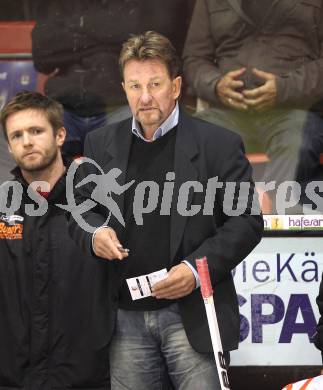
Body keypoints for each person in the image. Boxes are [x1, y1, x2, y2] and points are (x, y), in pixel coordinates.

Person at [69, 31, 263, 389]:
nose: (144, 97)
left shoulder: (218, 144)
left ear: (175, 87)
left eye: (154, 84)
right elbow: (81, 211)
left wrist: (195, 270)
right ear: (124, 88)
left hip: (190, 315)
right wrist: (95, 233)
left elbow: (246, 221)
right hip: (123, 317)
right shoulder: (100, 143)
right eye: (134, 86)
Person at [0, 91, 112, 389]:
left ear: (60, 135)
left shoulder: (99, 201)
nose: (27, 141)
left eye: (36, 131)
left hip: (87, 378)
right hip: (14, 379)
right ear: (9, 147)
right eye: (17, 135)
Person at [183, 0, 323, 213]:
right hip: (227, 112)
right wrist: (216, 85)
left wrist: (284, 88)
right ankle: (223, 227)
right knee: (193, 140)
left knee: (298, 141)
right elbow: (194, 58)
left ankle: (282, 228)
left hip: (294, 112)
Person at [32, 0, 195, 157]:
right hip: (65, 105)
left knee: (139, 147)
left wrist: (77, 30)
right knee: (26, 141)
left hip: (124, 103)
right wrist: (111, 38)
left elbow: (159, 41)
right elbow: (42, 55)